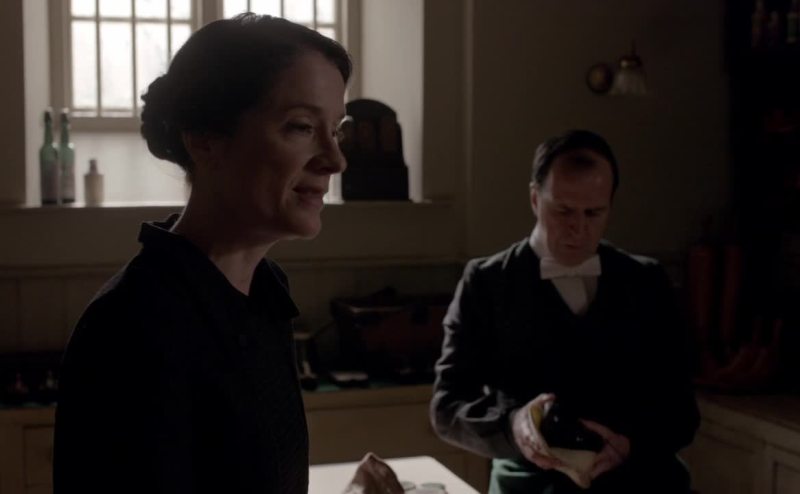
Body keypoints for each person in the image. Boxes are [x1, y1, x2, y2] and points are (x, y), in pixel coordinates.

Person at [53, 14, 404, 494]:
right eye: (302, 127)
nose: (336, 160)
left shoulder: (264, 292)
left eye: (337, 131)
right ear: (205, 139)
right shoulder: (133, 328)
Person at [430, 130, 700, 493]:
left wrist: (630, 445)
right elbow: (447, 407)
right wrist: (513, 427)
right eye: (564, 211)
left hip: (641, 481)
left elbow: (682, 411)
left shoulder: (645, 281)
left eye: (594, 213)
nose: (579, 228)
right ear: (534, 199)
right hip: (530, 485)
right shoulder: (487, 282)